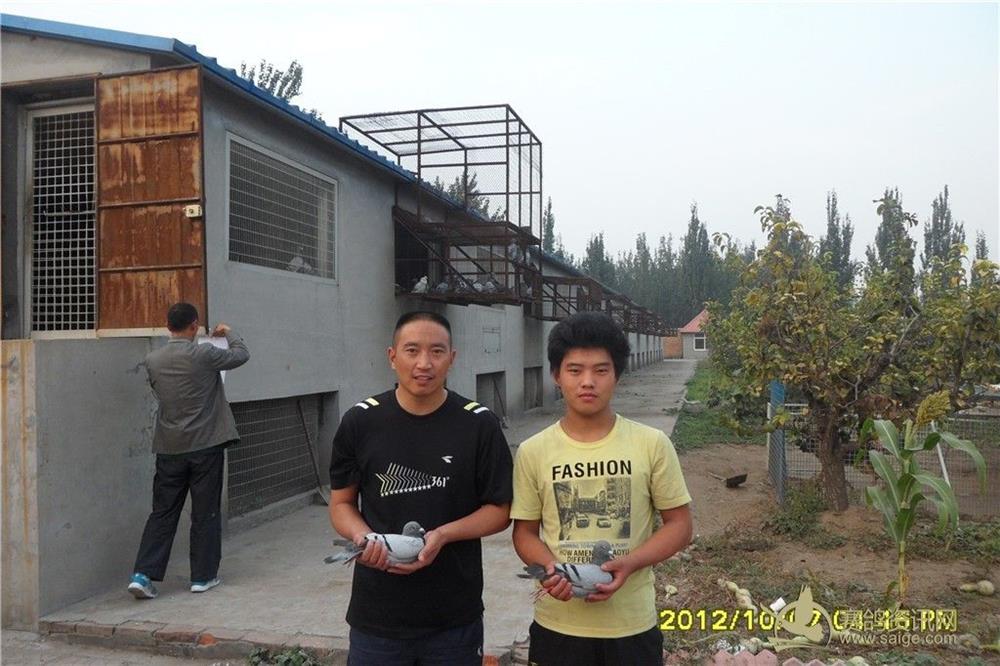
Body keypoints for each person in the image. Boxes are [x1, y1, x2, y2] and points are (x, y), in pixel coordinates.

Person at [329, 311, 514, 665]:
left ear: (452, 358)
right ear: (392, 356)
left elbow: (499, 510)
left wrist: (442, 535)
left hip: (453, 616)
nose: (424, 363)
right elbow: (341, 504)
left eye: (437, 351)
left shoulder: (479, 424)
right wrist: (365, 539)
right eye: (412, 350)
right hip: (377, 615)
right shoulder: (360, 421)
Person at [511, 312, 692, 666]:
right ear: (556, 375)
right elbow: (524, 533)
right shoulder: (534, 451)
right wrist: (551, 570)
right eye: (574, 370)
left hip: (631, 626)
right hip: (557, 626)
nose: (587, 382)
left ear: (617, 375)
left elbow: (680, 525)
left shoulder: (651, 444)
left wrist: (631, 562)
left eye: (600, 370)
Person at [127, 302, 250, 599]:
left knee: (162, 512)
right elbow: (241, 355)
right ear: (194, 325)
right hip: (205, 446)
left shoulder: (152, 360)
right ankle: (202, 576)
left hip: (169, 448)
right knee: (205, 512)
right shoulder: (204, 354)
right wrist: (229, 332)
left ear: (168, 326)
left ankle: (143, 574)